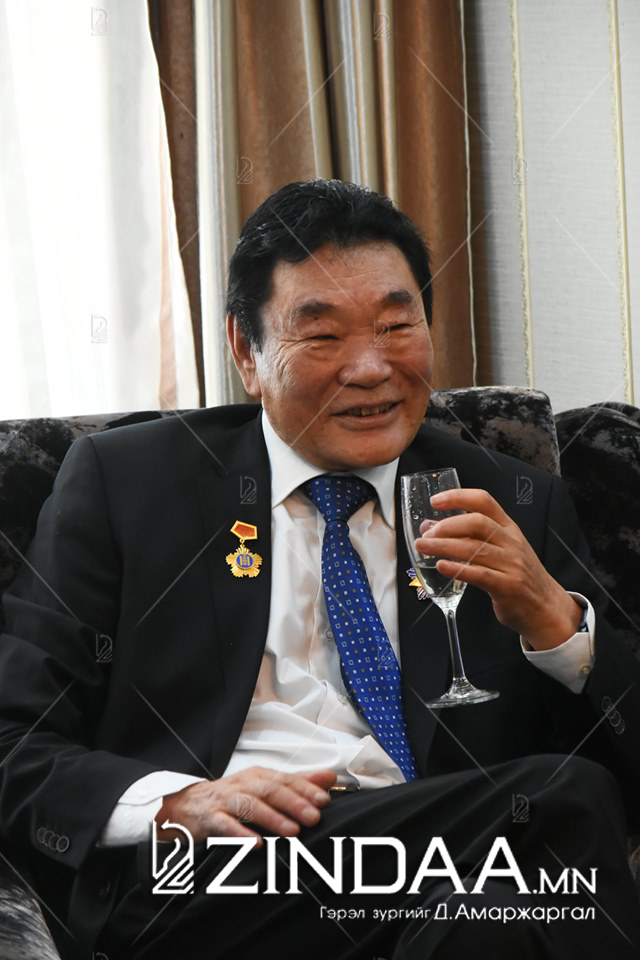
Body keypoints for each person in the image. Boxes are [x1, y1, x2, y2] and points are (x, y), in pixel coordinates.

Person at [0, 179, 639, 960]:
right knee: (563, 804)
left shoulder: (508, 499)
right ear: (247, 352)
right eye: (324, 336)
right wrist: (175, 804)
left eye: (397, 326)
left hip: (432, 873)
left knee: (487, 920)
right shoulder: (129, 484)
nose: (371, 368)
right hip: (216, 874)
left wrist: (560, 629)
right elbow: (13, 737)